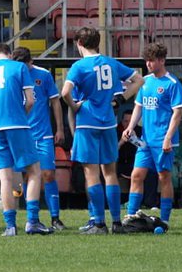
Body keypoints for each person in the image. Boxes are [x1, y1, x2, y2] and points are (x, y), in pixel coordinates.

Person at [61, 26, 143, 234]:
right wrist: (120, 99)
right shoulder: (111, 62)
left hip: (88, 122)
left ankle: (98, 223)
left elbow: (65, 92)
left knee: (91, 173)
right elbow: (139, 80)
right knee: (110, 173)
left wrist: (74, 105)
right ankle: (116, 222)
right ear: (98, 43)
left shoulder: (79, 66)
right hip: (108, 121)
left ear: (79, 44)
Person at [0, 43, 54, 236]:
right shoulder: (19, 67)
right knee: (34, 171)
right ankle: (32, 221)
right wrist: (22, 115)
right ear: (9, 54)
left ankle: (10, 226)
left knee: (5, 176)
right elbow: (30, 100)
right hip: (17, 124)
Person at [120, 42, 182, 230]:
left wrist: (168, 138)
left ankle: (164, 219)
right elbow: (138, 106)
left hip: (163, 139)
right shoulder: (145, 81)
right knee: (136, 175)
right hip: (145, 141)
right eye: (146, 60)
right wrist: (131, 127)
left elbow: (177, 112)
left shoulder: (172, 84)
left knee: (164, 177)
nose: (148, 64)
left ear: (162, 60)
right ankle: (131, 215)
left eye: (152, 60)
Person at [12, 47, 67, 230]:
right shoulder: (12, 76)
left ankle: (55, 217)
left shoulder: (43, 75)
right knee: (28, 176)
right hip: (23, 133)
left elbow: (55, 101)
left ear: (30, 62)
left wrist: (59, 128)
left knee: (48, 174)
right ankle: (31, 217)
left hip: (43, 133)